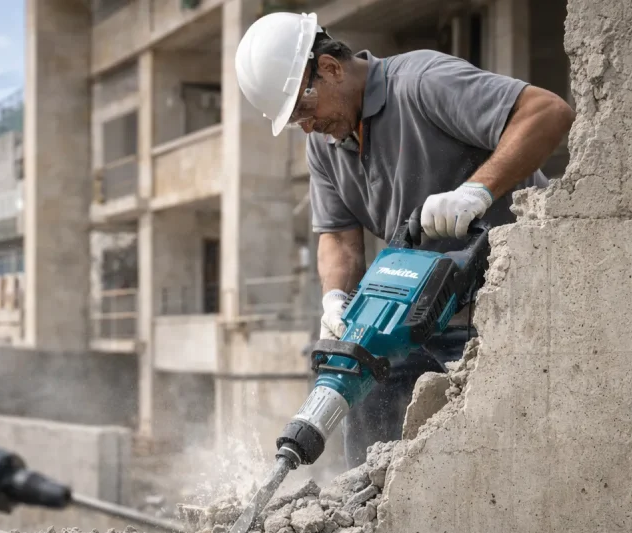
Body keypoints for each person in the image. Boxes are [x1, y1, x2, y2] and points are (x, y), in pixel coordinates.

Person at [235, 12, 575, 469]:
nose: (306, 126)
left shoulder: (422, 82)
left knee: (496, 454)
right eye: (295, 120)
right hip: (420, 315)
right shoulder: (325, 145)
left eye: (303, 110)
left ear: (330, 69)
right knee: (366, 390)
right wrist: (334, 298)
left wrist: (476, 191)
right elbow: (337, 236)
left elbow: (548, 112)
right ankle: (365, 499)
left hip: (514, 305)